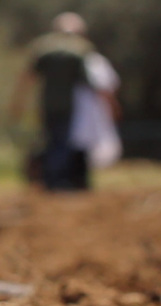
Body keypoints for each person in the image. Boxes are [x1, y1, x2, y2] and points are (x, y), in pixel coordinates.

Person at [8, 12, 96, 191]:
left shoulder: (43, 47)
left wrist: (18, 102)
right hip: (69, 105)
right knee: (62, 141)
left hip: (46, 104)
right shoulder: (78, 49)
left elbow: (27, 77)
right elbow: (88, 83)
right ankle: (57, 181)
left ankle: (48, 178)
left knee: (50, 139)